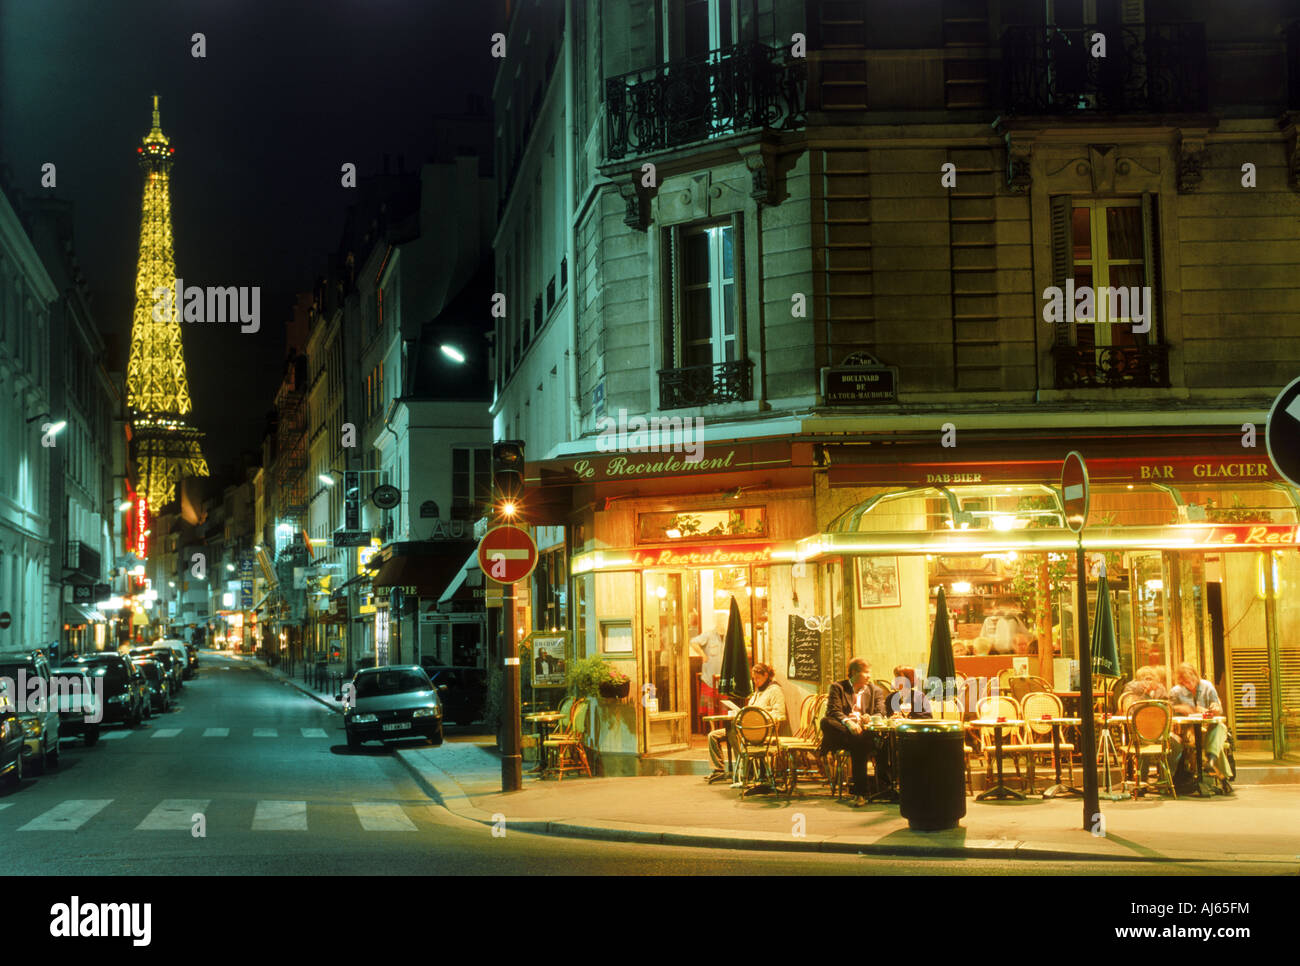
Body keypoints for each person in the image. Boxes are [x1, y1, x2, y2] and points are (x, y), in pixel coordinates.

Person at [820, 658, 888, 806]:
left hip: (864, 733)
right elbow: (833, 710)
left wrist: (870, 718)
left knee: (860, 742)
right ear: (854, 673)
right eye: (866, 673)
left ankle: (860, 794)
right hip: (845, 733)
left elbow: (881, 712)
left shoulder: (875, 690)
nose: (869, 676)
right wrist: (849, 722)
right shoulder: (838, 687)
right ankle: (860, 794)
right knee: (826, 722)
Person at [707, 663, 787, 782]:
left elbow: (780, 714)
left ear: (766, 675)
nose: (755, 682)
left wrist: (759, 719)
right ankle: (719, 769)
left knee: (733, 732)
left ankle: (746, 770)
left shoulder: (774, 690)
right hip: (747, 728)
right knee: (713, 736)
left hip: (762, 729)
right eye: (754, 679)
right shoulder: (757, 692)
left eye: (758, 678)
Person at [1170, 662, 1231, 792]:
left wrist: (1215, 708)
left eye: (1192, 679)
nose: (1190, 683)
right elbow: (1168, 711)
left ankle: (1211, 761)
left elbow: (1218, 709)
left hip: (1208, 728)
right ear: (1181, 681)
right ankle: (1216, 767)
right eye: (1186, 681)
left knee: (1220, 727)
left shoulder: (1207, 687)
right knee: (1215, 743)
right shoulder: (1176, 692)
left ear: (1196, 675)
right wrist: (1183, 709)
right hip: (1188, 731)